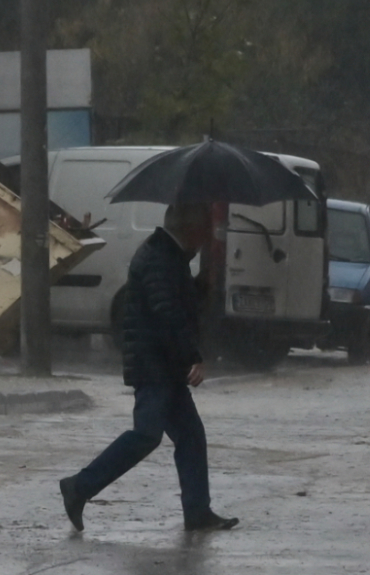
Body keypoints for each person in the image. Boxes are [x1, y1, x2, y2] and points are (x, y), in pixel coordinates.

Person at [59, 203, 238, 532]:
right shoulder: (159, 258)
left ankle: (198, 512)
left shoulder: (170, 256)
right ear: (189, 229)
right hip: (154, 366)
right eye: (203, 231)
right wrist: (193, 356)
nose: (205, 239)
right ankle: (79, 487)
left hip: (164, 366)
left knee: (191, 436)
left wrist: (203, 284)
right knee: (146, 434)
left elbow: (179, 303)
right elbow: (167, 313)